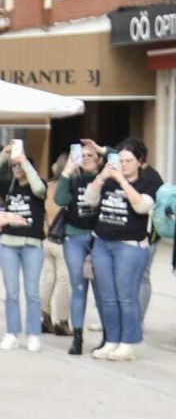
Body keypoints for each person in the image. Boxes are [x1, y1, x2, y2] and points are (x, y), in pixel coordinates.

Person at [85, 137, 162, 361]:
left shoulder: (147, 181)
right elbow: (90, 199)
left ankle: (128, 343)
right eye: (120, 160)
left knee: (126, 297)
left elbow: (141, 206)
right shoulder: (108, 180)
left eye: (128, 160)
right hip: (102, 243)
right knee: (107, 297)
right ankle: (112, 341)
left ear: (140, 161)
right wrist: (101, 177)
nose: (124, 164)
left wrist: (122, 180)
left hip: (130, 247)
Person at [0, 141, 47, 352]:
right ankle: (12, 332)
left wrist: (24, 161)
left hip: (32, 244)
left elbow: (39, 188)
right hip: (8, 243)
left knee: (32, 293)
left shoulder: (37, 184)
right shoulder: (8, 185)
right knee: (11, 292)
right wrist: (3, 155)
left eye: (19, 166)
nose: (16, 169)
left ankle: (34, 333)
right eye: (14, 166)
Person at [56, 142, 102, 355]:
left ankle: (108, 337)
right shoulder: (73, 179)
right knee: (79, 288)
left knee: (102, 289)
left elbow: (113, 154)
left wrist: (101, 149)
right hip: (74, 237)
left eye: (90, 154)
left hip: (99, 239)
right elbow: (60, 199)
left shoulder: (106, 178)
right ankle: (77, 337)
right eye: (82, 155)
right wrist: (66, 171)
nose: (85, 158)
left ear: (99, 158)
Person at [39, 155, 72, 337]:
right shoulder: (67, 189)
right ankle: (61, 321)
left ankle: (44, 317)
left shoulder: (48, 187)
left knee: (47, 279)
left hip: (46, 238)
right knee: (63, 281)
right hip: (63, 240)